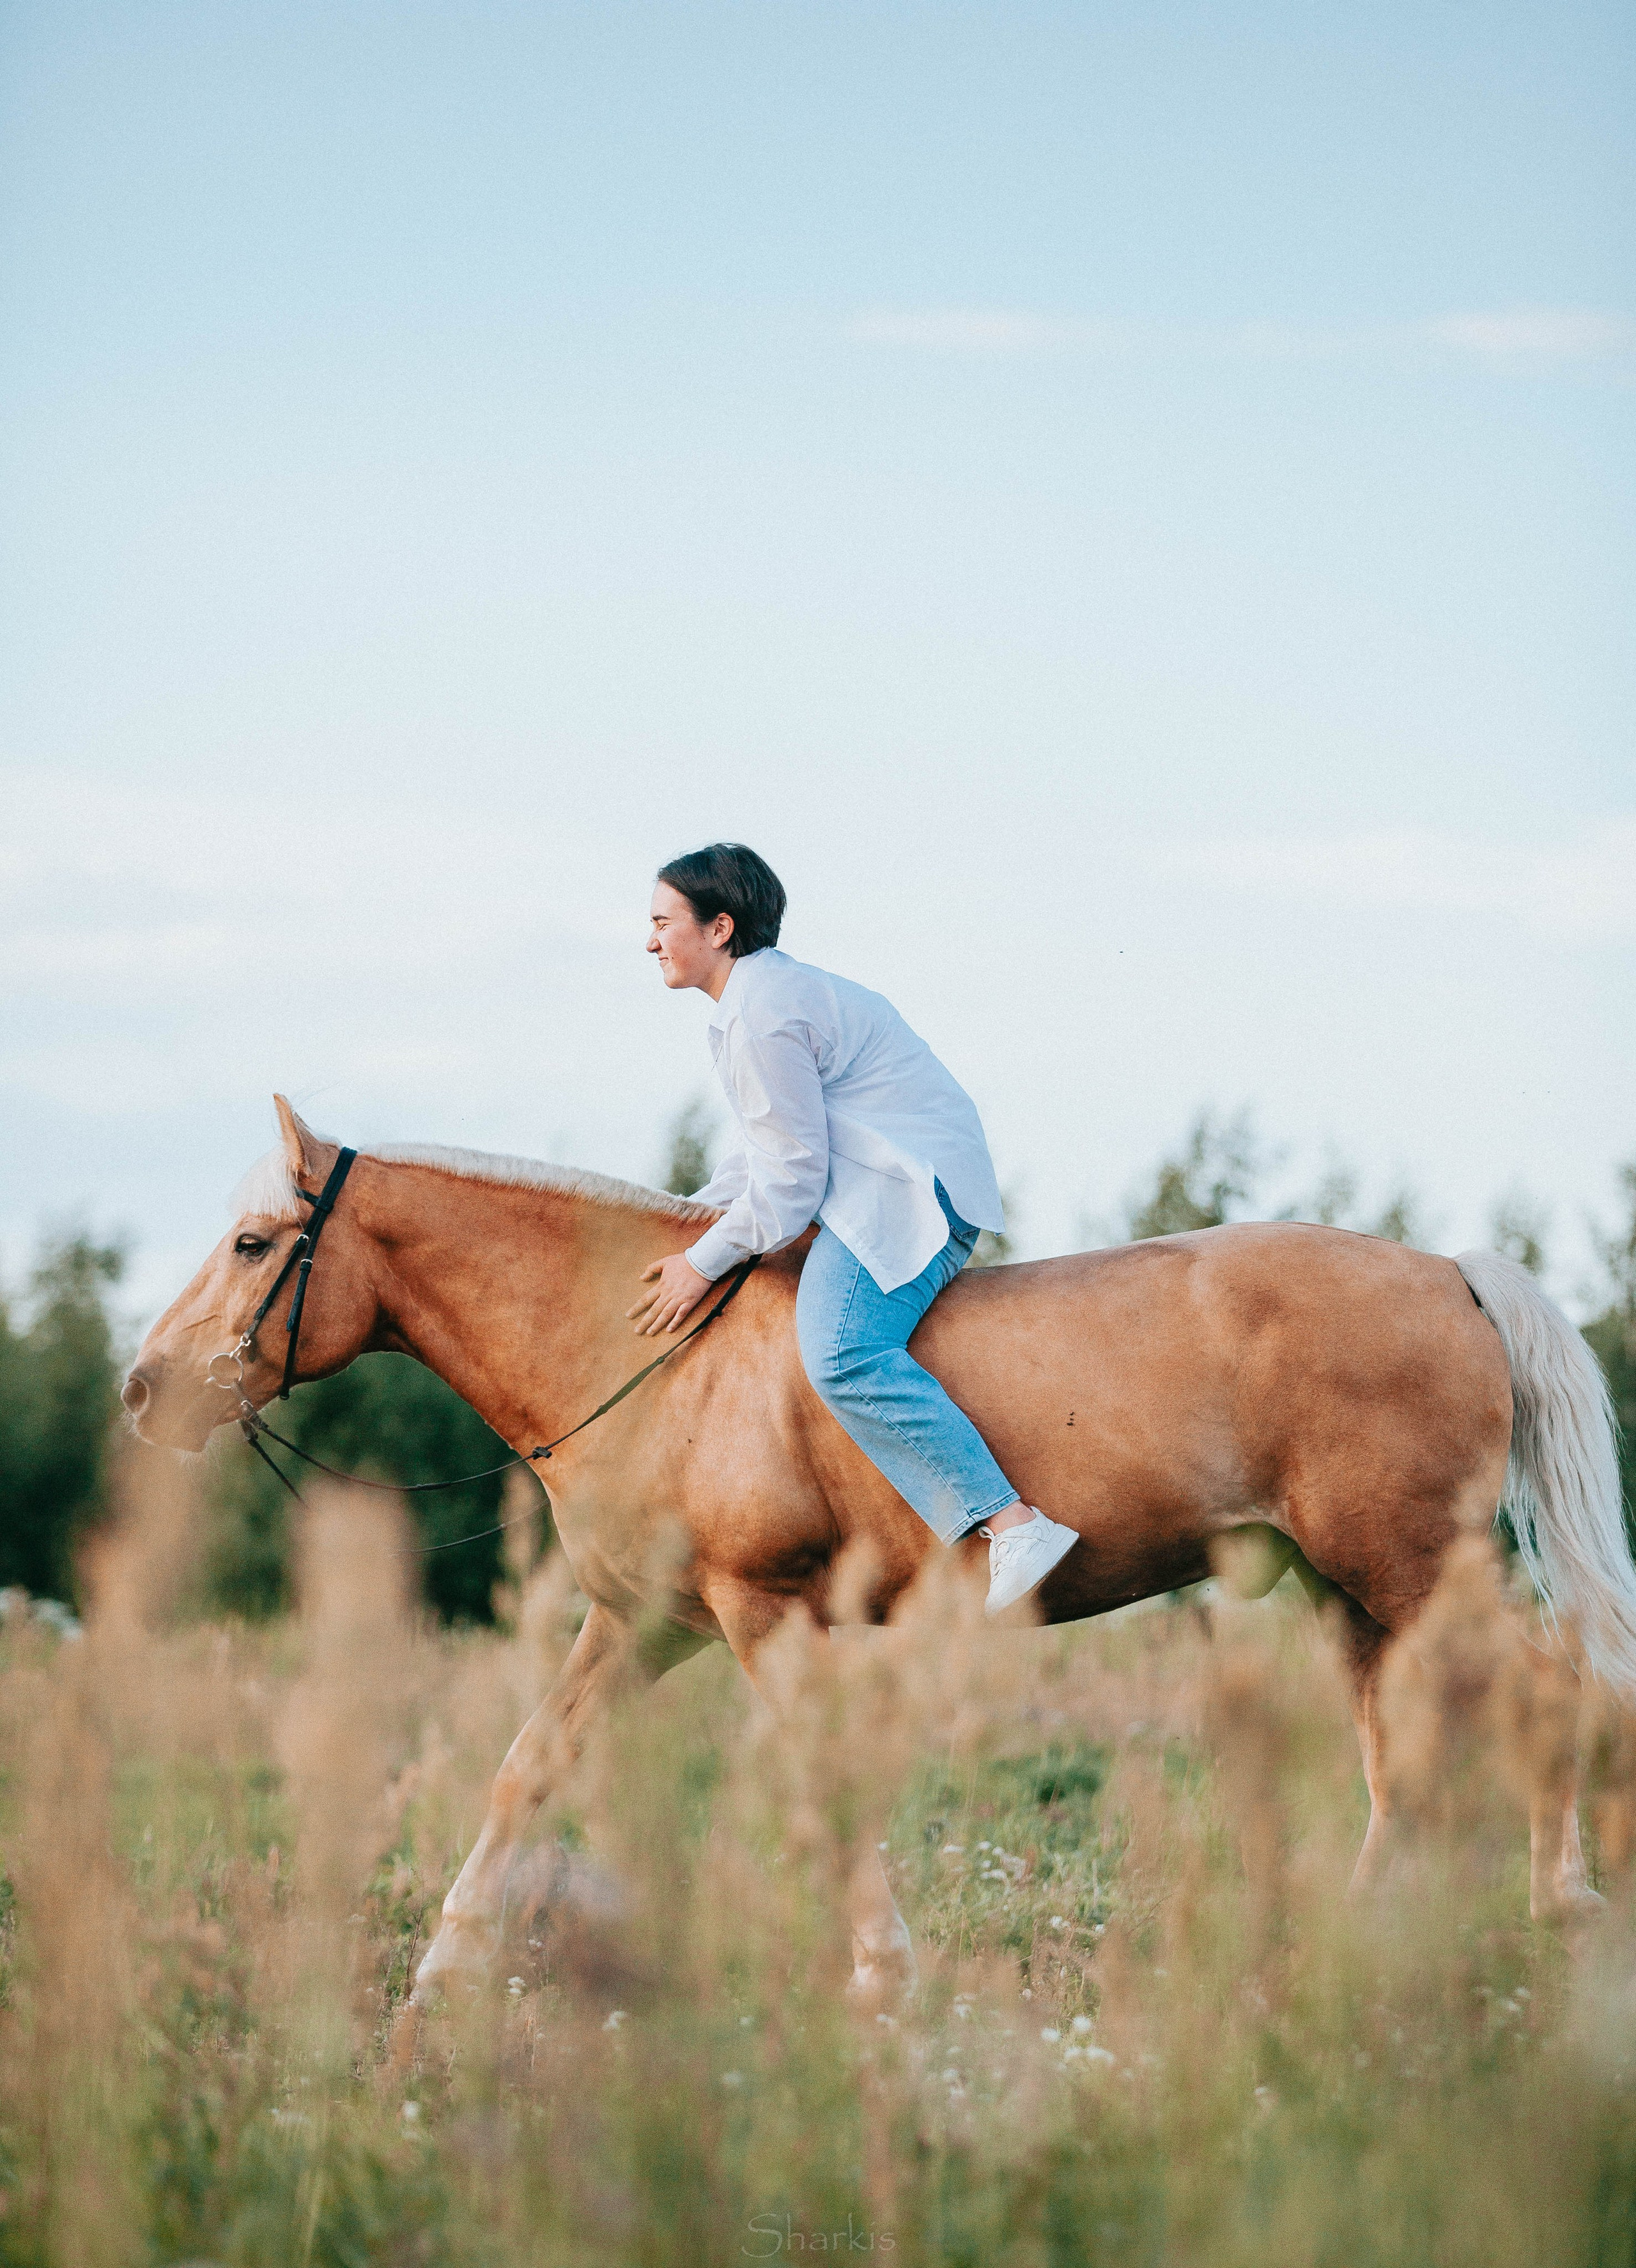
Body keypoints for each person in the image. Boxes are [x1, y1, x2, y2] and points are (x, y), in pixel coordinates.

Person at [628, 841, 1079, 1617]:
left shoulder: (763, 1013)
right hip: (883, 1179)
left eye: (662, 921)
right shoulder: (754, 1002)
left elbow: (792, 1183)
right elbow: (766, 1150)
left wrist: (702, 1262)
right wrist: (689, 1224)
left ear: (720, 927)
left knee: (841, 1351)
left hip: (913, 1193)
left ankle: (1015, 1525)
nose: (649, 941)